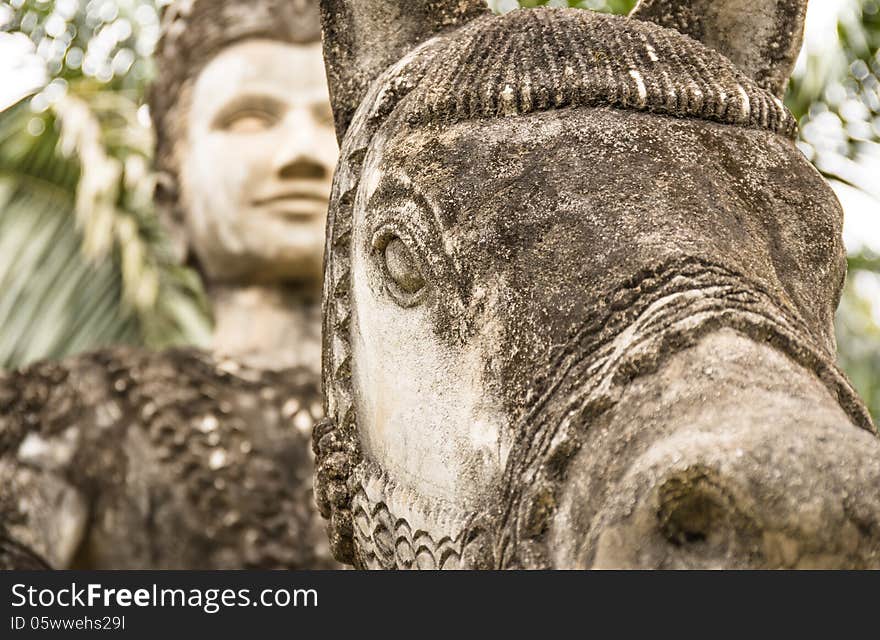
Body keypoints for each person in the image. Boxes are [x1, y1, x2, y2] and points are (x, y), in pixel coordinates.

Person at [0, 0, 339, 569]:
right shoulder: (81, 410)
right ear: (170, 206)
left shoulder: (479, 414)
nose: (304, 154)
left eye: (335, 119)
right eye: (252, 117)